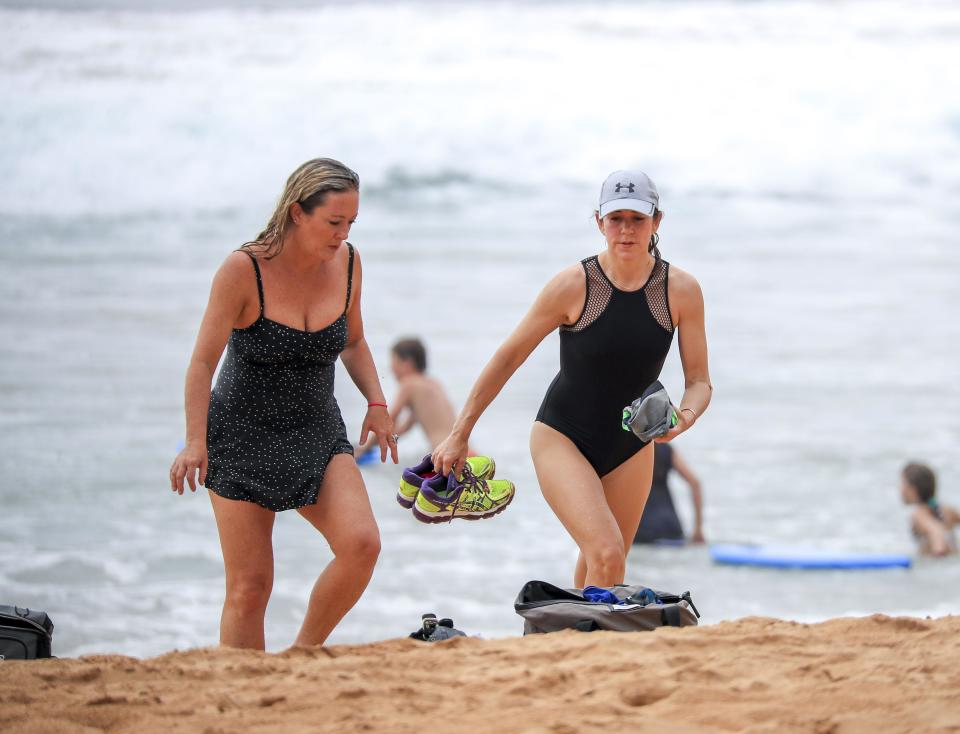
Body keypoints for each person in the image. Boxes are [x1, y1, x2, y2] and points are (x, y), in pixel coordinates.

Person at [432, 170, 712, 587]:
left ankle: (563, 642)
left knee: (602, 569)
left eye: (637, 219)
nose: (626, 229)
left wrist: (683, 417)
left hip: (632, 447)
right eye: (615, 218)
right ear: (599, 222)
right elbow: (509, 357)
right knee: (607, 553)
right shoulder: (574, 285)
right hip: (562, 436)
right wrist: (459, 433)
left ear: (657, 221)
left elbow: (700, 381)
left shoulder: (681, 290)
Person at [168, 158, 397, 650]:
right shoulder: (243, 269)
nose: (343, 234)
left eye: (351, 222)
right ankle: (245, 693)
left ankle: (302, 654)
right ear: (297, 212)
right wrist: (194, 441)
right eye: (334, 222)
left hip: (315, 429)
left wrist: (376, 402)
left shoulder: (350, 262)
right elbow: (202, 364)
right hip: (242, 432)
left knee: (361, 545)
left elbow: (353, 342)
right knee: (251, 588)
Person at [357, 337, 471, 455]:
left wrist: (362, 449)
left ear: (407, 363)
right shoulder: (433, 383)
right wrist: (379, 443)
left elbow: (387, 420)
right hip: (465, 452)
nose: (391, 369)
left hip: (447, 456)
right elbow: (404, 428)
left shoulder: (409, 384)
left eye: (394, 362)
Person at [633, 442, 705, 545]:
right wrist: (698, 529)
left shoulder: (629, 451)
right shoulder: (665, 448)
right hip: (671, 529)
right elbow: (695, 484)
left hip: (640, 530)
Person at [900, 462, 958, 557]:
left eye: (903, 483)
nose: (900, 488)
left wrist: (939, 552)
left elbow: (936, 531)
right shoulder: (948, 511)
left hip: (938, 563)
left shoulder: (919, 515)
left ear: (913, 489)